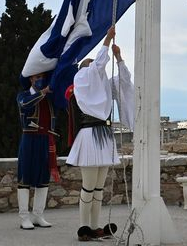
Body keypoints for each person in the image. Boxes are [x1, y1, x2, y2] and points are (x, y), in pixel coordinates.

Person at [66, 27, 135, 241]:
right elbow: (96, 66)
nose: (95, 67)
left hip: (104, 135)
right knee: (88, 186)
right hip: (90, 135)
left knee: (98, 186)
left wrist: (119, 57)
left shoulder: (102, 82)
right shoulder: (82, 79)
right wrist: (106, 40)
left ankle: (95, 226)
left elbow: (124, 81)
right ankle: (83, 226)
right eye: (90, 65)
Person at [16, 72, 59, 230]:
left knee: (43, 178)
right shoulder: (23, 95)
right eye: (36, 77)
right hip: (29, 139)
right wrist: (43, 92)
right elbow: (26, 105)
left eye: (42, 77)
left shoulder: (49, 99)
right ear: (30, 79)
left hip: (45, 141)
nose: (39, 79)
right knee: (24, 177)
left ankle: (38, 215)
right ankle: (24, 217)